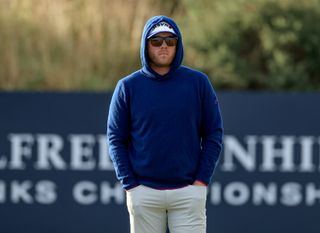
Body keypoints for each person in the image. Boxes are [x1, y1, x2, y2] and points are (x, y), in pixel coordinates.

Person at [107, 15, 223, 233]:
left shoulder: (198, 83)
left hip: (188, 191)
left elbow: (213, 134)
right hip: (144, 191)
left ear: (177, 45)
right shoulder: (127, 87)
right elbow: (115, 139)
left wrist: (201, 182)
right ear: (146, 45)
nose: (163, 46)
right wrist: (130, 185)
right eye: (156, 41)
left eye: (170, 41)